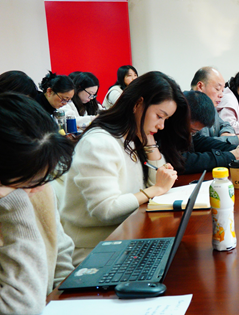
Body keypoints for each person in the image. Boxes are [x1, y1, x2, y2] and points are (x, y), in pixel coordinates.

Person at [61, 71, 190, 266]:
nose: (162, 125)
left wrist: (150, 143)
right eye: (159, 116)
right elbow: (105, 209)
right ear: (138, 104)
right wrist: (157, 189)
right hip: (93, 251)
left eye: (165, 119)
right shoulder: (99, 143)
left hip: (124, 238)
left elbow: (158, 184)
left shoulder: (129, 138)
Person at [0, 93, 75, 315]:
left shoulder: (37, 189)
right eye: (30, 182)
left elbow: (60, 251)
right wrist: (15, 204)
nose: (40, 188)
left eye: (45, 178)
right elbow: (22, 302)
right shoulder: (16, 201)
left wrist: (68, 297)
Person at [182, 91, 239, 174]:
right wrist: (229, 156)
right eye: (217, 89)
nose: (222, 95)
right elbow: (183, 161)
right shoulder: (229, 101)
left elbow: (198, 141)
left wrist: (234, 150)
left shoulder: (207, 107)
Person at [190, 67, 238, 146]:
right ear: (200, 86)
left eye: (222, 91)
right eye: (217, 89)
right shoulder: (190, 109)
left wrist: (225, 132)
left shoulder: (210, 105)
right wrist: (232, 139)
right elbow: (202, 143)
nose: (221, 95)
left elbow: (225, 124)